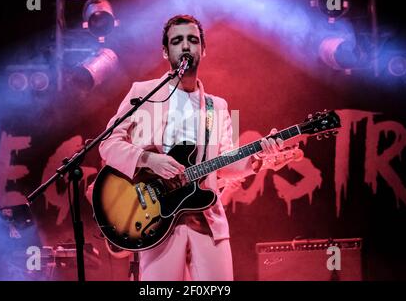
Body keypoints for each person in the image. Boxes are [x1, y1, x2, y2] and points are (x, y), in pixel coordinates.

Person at [99, 14, 296, 281]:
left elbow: (225, 166)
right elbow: (108, 144)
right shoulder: (142, 92)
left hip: (207, 220)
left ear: (203, 49)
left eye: (193, 40)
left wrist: (258, 158)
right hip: (155, 218)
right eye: (177, 40)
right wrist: (148, 159)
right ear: (165, 50)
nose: (185, 46)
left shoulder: (219, 106)